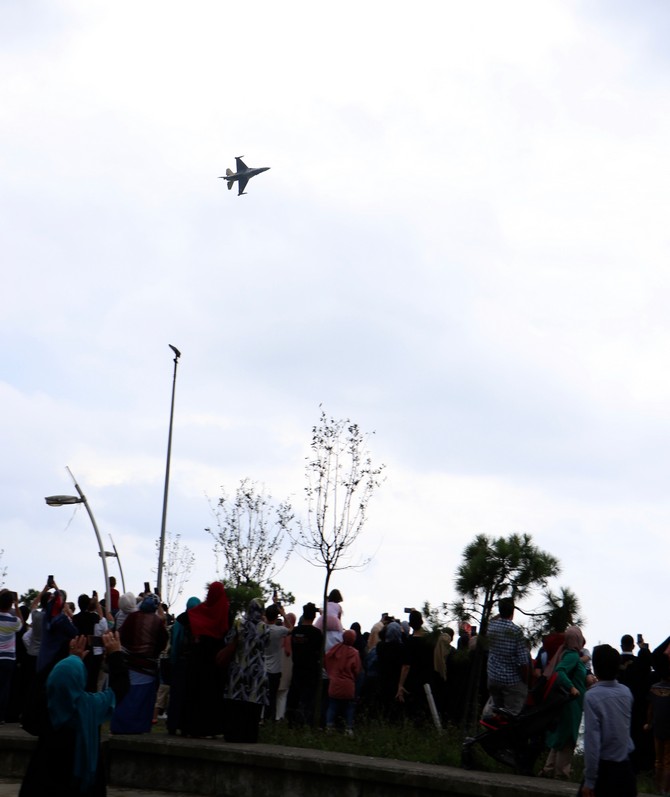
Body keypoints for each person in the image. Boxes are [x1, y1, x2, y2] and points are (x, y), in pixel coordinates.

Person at [19, 631, 128, 797]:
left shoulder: (45, 709)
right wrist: (115, 655)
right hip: (82, 785)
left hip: (44, 781)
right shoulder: (90, 706)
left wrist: (66, 659)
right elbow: (121, 687)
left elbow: (36, 693)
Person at [168, 582, 229, 737]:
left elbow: (183, 619)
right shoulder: (226, 611)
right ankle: (212, 728)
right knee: (212, 695)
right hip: (216, 662)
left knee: (194, 694)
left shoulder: (199, 612)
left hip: (197, 660)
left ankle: (190, 727)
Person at [578, 644, 636, 797]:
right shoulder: (626, 693)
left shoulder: (592, 696)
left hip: (604, 770)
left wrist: (590, 781)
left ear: (596, 669)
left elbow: (592, 743)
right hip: (625, 768)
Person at [541, 626, 594, 780]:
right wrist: (572, 687)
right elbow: (560, 672)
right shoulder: (572, 656)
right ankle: (562, 773)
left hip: (570, 704)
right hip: (572, 704)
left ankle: (548, 769)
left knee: (560, 737)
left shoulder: (568, 654)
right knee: (568, 739)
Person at [110, 594, 167, 734]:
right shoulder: (157, 621)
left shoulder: (132, 617)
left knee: (126, 697)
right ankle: (140, 727)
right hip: (147, 668)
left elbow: (121, 635)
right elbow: (162, 642)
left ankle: (121, 726)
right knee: (142, 701)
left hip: (129, 664)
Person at [220, 598, 269, 742]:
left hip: (239, 668)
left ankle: (233, 734)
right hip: (257, 671)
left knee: (236, 705)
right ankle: (250, 736)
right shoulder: (264, 628)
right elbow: (265, 644)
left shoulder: (239, 624)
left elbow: (228, 641)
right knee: (253, 706)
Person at [482, 598, 530, 718]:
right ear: (513, 611)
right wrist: (526, 681)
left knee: (496, 713)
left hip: (493, 678)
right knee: (511, 716)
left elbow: (493, 619)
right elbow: (524, 662)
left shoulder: (491, 626)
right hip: (511, 682)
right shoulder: (516, 631)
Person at [286, 602, 323, 726]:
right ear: (313, 617)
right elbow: (320, 652)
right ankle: (305, 724)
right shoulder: (317, 634)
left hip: (297, 668)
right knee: (308, 699)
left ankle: (290, 722)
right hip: (311, 670)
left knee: (294, 697)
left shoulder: (295, 632)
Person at [324, 629, 362, 735]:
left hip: (334, 683)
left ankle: (329, 727)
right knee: (349, 707)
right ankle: (348, 729)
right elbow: (357, 669)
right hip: (348, 685)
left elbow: (326, 661)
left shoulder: (334, 650)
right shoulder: (354, 653)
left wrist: (331, 673)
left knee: (332, 706)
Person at [645, 650, 670, 796]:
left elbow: (650, 710)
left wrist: (648, 723)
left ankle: (656, 788)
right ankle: (665, 790)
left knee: (658, 760)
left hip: (657, 727)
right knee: (667, 761)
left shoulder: (654, 688)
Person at [264, 602, 294, 721]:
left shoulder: (262, 628)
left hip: (262, 667)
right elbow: (291, 628)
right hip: (275, 670)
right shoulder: (280, 630)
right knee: (273, 697)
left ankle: (261, 718)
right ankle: (271, 720)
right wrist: (284, 614)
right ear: (277, 617)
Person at [0, 589, 24, 724]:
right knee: (5, 688)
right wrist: (16, 606)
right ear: (11, 604)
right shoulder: (14, 621)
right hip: (9, 658)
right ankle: (1, 717)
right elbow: (21, 623)